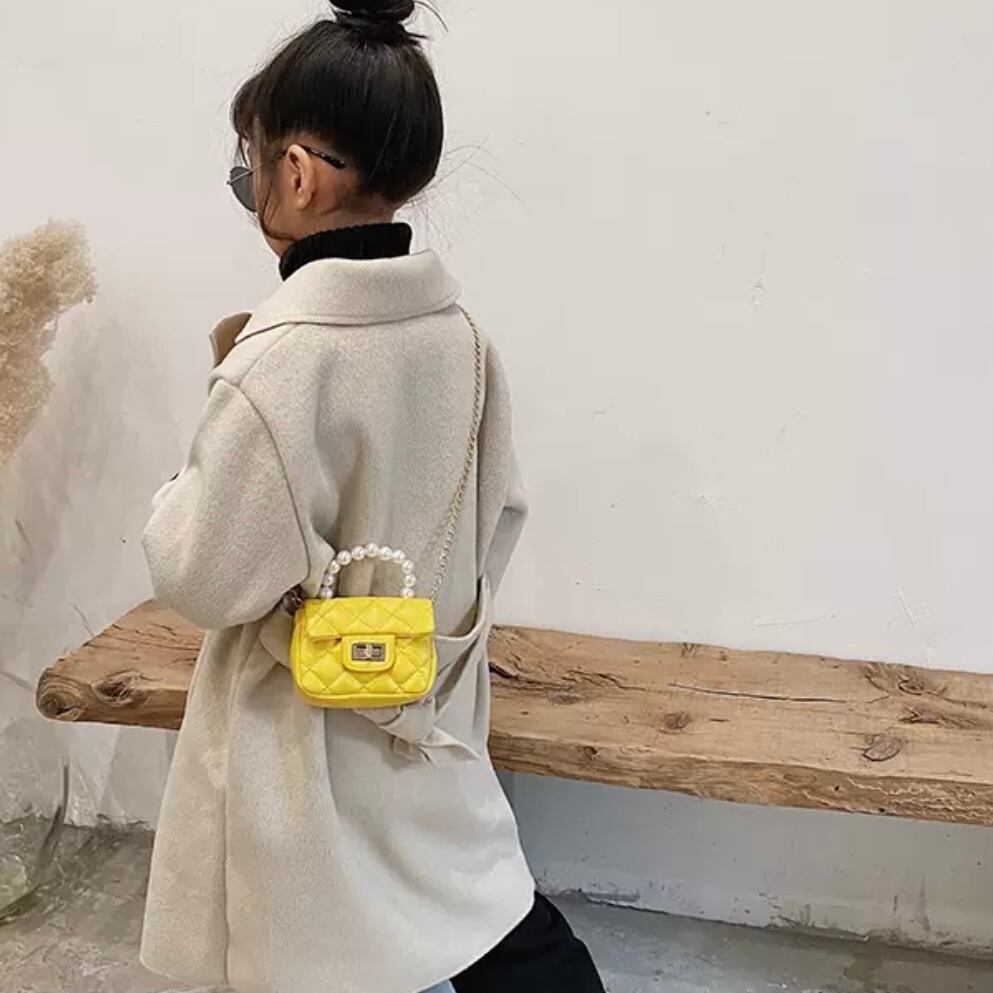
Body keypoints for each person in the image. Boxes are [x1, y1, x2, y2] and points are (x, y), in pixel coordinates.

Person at [140, 3, 605, 992]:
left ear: (296, 175)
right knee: (478, 903)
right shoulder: (460, 338)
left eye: (249, 170)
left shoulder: (280, 360)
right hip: (420, 702)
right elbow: (501, 512)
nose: (251, 189)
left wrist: (179, 489)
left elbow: (202, 574)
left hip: (299, 736)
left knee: (310, 945)